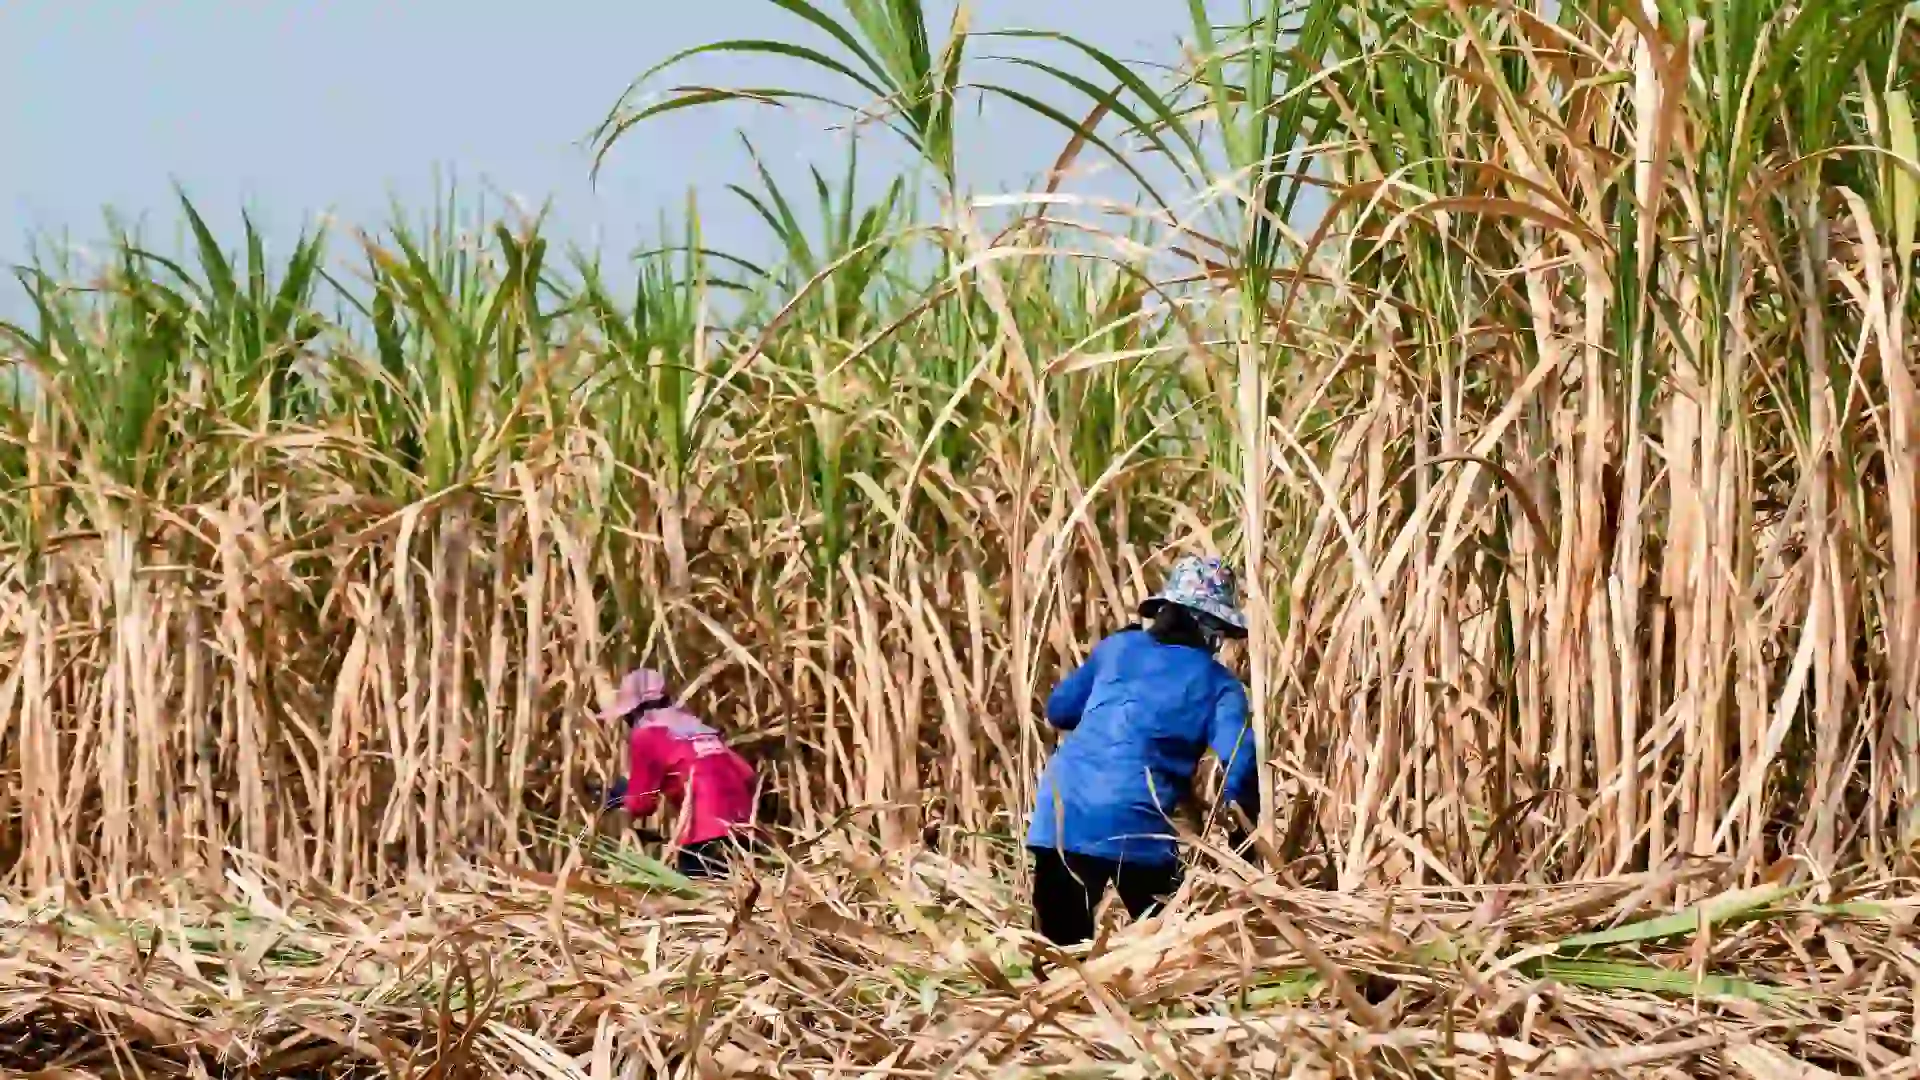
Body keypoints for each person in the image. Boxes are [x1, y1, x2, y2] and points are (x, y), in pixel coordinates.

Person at [1025, 555, 1259, 947]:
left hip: (1063, 813)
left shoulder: (1117, 648)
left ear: (1164, 609)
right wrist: (1244, 834)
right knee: (1168, 948)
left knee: (1060, 957)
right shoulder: (1220, 685)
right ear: (1214, 629)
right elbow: (1242, 758)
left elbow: (1059, 711)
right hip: (1138, 825)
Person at [598, 668, 759, 879]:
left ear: (633, 711)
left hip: (703, 836)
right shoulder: (697, 727)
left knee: (698, 907)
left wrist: (620, 796)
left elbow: (642, 803)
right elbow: (747, 775)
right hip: (744, 830)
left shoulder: (646, 734)